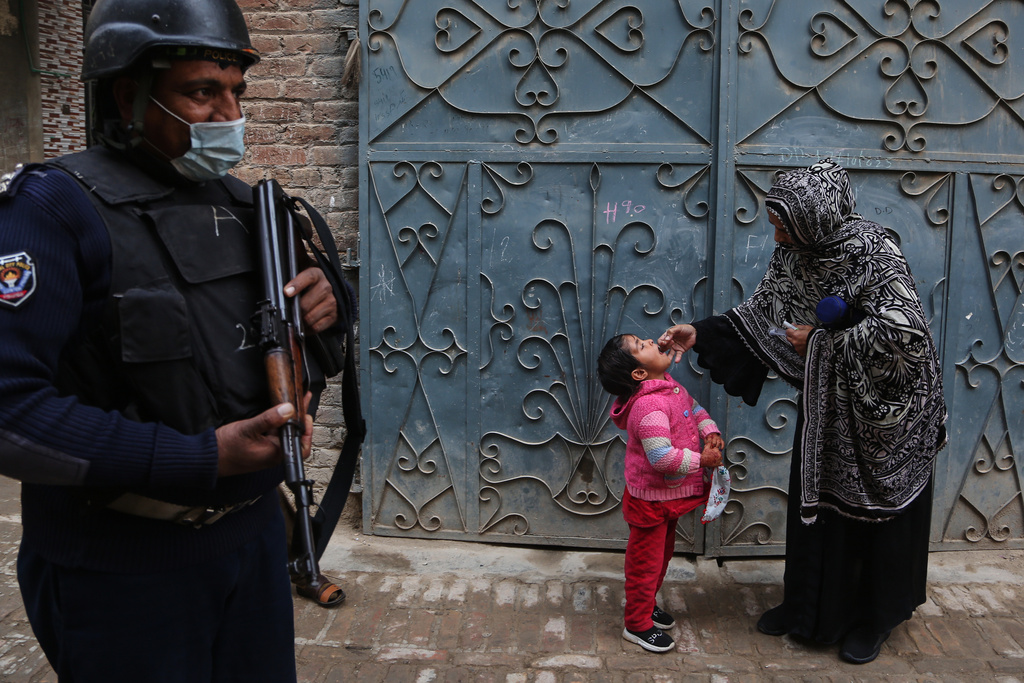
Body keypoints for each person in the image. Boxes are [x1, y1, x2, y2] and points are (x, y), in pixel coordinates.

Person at [0, 0, 347, 680]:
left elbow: (272, 337)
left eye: (236, 93)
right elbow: (11, 411)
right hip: (122, 570)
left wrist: (329, 304)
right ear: (128, 96)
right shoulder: (51, 210)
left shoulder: (247, 205)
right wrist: (200, 456)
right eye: (201, 91)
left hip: (253, 544)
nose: (229, 116)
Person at [658, 159, 947, 665]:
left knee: (876, 515)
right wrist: (700, 333)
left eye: (783, 226)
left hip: (888, 416)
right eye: (775, 223)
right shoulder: (795, 255)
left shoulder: (875, 254)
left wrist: (819, 340)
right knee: (820, 506)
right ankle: (809, 610)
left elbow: (907, 337)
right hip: (830, 410)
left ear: (815, 218)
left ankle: (871, 620)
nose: (776, 236)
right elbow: (765, 310)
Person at [597, 333, 724, 653]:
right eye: (642, 345)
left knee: (660, 557)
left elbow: (692, 408)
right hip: (649, 503)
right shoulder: (649, 406)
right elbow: (662, 458)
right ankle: (637, 624)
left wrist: (710, 431)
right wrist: (702, 460)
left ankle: (646, 606)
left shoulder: (668, 386)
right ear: (639, 373)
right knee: (645, 564)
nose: (652, 340)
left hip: (663, 498)